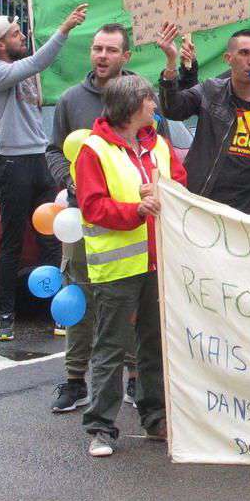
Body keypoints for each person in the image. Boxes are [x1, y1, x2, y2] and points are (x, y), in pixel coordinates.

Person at [46, 23, 162, 413]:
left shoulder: (142, 100)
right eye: (97, 48)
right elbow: (54, 151)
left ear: (125, 57)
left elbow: (154, 154)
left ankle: (133, 380)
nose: (101, 56)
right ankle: (75, 379)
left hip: (132, 227)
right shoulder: (70, 100)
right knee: (79, 294)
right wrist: (72, 178)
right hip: (83, 218)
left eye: (111, 50)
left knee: (131, 308)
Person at [74, 74, 187, 457]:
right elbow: (92, 207)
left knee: (154, 344)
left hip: (158, 262)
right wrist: (136, 210)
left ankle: (154, 418)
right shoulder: (94, 150)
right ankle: (101, 427)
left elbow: (180, 186)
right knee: (111, 346)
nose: (155, 107)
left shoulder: (159, 146)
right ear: (134, 106)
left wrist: (167, 198)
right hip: (118, 268)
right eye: (150, 101)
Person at [0, 4, 87, 340]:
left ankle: (57, 311)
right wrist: (64, 28)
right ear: (0, 44)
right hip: (12, 164)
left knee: (52, 237)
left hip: (39, 159)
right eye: (14, 34)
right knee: (11, 241)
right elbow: (39, 61)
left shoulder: (23, 69)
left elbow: (43, 67)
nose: (21, 35)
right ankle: (6, 316)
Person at [156, 23, 250, 216]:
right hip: (205, 208)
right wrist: (170, 62)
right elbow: (173, 109)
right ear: (228, 58)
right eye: (244, 53)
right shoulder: (211, 91)